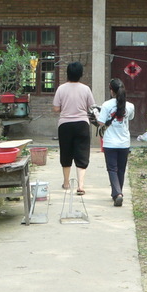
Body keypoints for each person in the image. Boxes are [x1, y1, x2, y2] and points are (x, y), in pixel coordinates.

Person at [52, 62, 95, 195]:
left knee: (66, 152)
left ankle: (66, 183)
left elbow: (56, 108)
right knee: (82, 153)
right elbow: (92, 107)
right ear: (81, 74)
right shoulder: (86, 89)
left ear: (67, 73)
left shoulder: (61, 89)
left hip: (65, 125)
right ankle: (81, 185)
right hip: (82, 124)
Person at [96, 78, 135, 207]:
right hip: (124, 142)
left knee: (112, 169)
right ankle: (117, 193)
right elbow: (130, 118)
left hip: (110, 143)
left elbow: (101, 123)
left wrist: (96, 114)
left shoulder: (106, 105)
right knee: (121, 169)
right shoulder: (130, 106)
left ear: (111, 90)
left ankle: (117, 194)